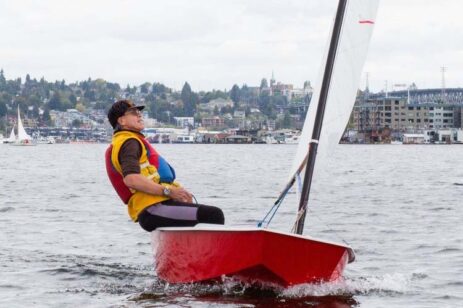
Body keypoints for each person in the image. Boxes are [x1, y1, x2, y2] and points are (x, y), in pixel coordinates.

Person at [105, 99, 224, 231]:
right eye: (133, 112)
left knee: (200, 215)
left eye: (139, 112)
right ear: (121, 121)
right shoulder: (129, 142)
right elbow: (131, 179)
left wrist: (179, 196)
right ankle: (214, 252)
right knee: (214, 215)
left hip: (156, 207)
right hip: (152, 209)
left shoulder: (126, 141)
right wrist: (169, 192)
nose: (139, 115)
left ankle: (187, 251)